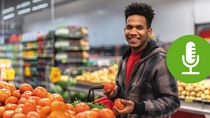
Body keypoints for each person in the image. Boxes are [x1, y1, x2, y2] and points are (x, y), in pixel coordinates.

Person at [104, 2, 180, 118]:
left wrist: (138, 107)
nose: (133, 32)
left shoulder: (161, 61)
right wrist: (115, 95)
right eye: (129, 27)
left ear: (149, 32)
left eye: (139, 27)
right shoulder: (124, 59)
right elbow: (126, 94)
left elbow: (172, 102)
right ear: (125, 29)